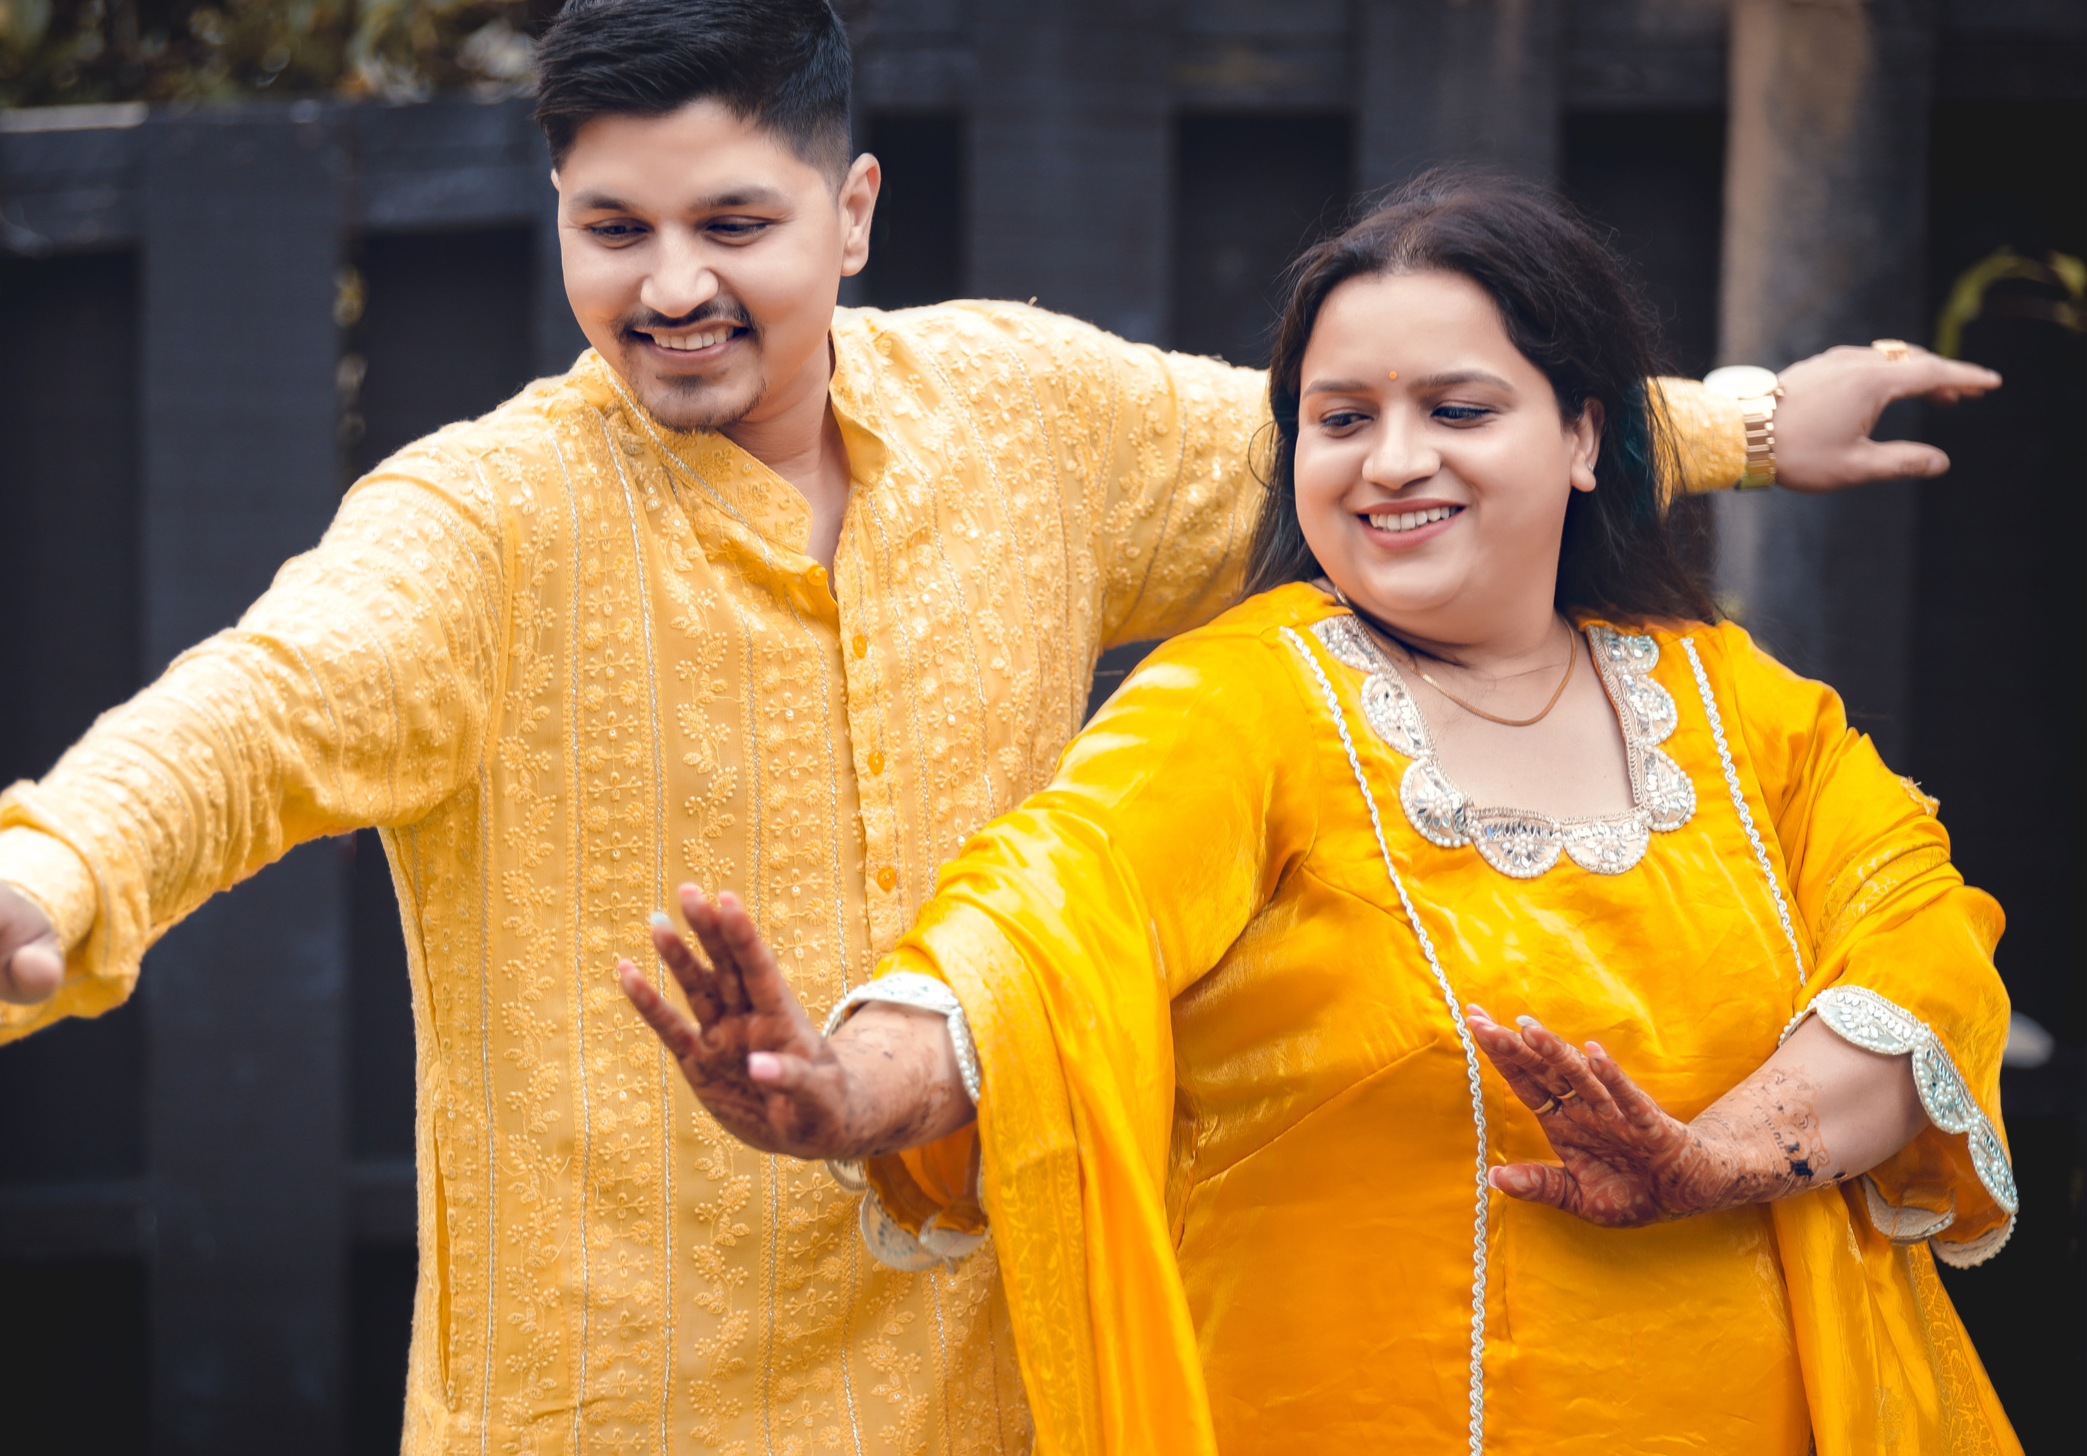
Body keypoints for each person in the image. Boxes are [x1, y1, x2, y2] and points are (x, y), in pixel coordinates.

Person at [0, 0, 1997, 1454]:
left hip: (992, 1373)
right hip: (626, 1395)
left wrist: (1737, 421)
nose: (671, 287)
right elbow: (262, 704)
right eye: (610, 228)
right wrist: (48, 874)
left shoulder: (1025, 414)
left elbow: (1374, 440)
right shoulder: (484, 519)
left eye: (732, 221)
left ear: (850, 211)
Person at [622, 176, 2018, 1454]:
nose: (1390, 462)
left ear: (1587, 434)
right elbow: (1045, 919)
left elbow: (1920, 953)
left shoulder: (1749, 714)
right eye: (1341, 420)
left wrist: (1712, 1162)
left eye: (1457, 412)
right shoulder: (1245, 705)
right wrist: (851, 1088)